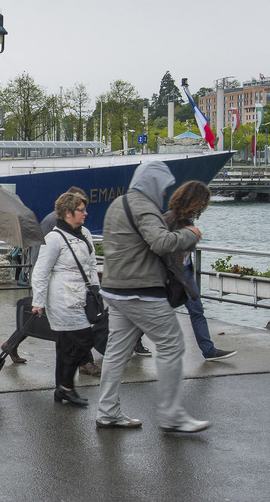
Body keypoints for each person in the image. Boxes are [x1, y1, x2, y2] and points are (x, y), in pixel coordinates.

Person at [96, 161, 207, 432]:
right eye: (163, 186)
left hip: (114, 288)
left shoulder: (117, 204)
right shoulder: (144, 206)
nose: (165, 192)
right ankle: (172, 416)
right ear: (153, 183)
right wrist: (190, 234)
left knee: (116, 352)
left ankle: (107, 412)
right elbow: (161, 243)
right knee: (172, 344)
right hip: (141, 290)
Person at [31, 191, 100, 408]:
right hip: (62, 299)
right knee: (84, 340)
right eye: (81, 210)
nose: (86, 213)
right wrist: (38, 302)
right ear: (68, 213)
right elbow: (41, 271)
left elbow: (92, 264)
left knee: (66, 346)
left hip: (83, 296)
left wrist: (96, 289)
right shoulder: (54, 239)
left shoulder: (85, 233)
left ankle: (62, 388)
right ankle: (66, 386)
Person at [165, 181, 236, 362]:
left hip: (185, 272)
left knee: (197, 310)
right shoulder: (170, 218)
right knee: (156, 311)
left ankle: (208, 350)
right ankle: (134, 341)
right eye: (202, 200)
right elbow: (161, 245)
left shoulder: (188, 219)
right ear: (191, 198)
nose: (204, 203)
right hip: (172, 274)